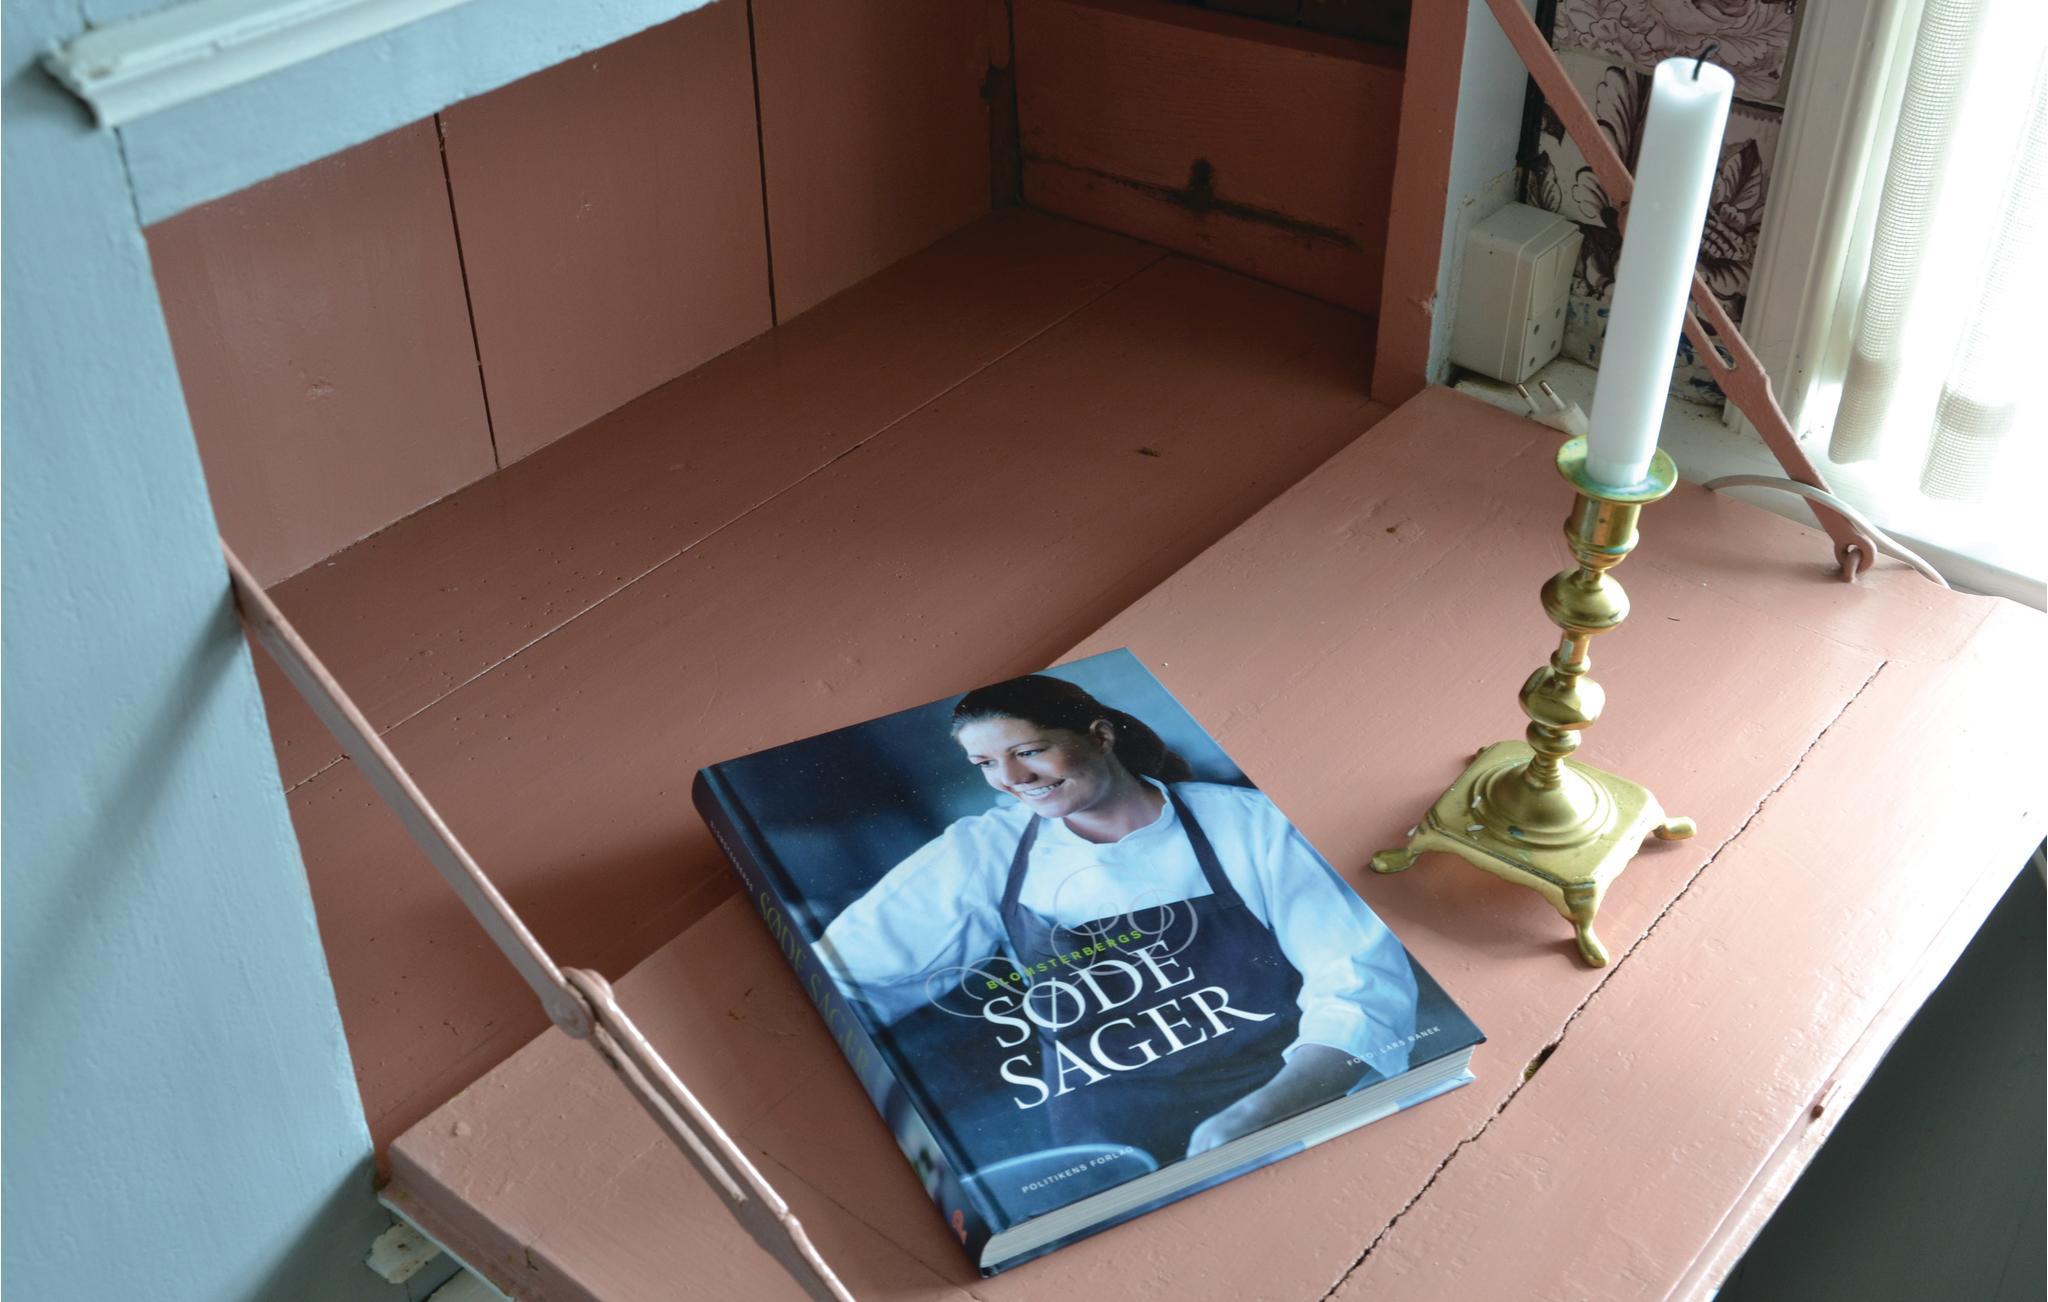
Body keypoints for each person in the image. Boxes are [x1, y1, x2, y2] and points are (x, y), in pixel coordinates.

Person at [816, 673, 1418, 1166]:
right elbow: (840, 976)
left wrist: (1261, 1114)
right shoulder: (983, 851)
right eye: (986, 763)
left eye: (1029, 751)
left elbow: (1361, 986)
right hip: (1107, 1154)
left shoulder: (1252, 824)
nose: (1012, 780)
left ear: (1100, 735)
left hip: (1296, 1108)